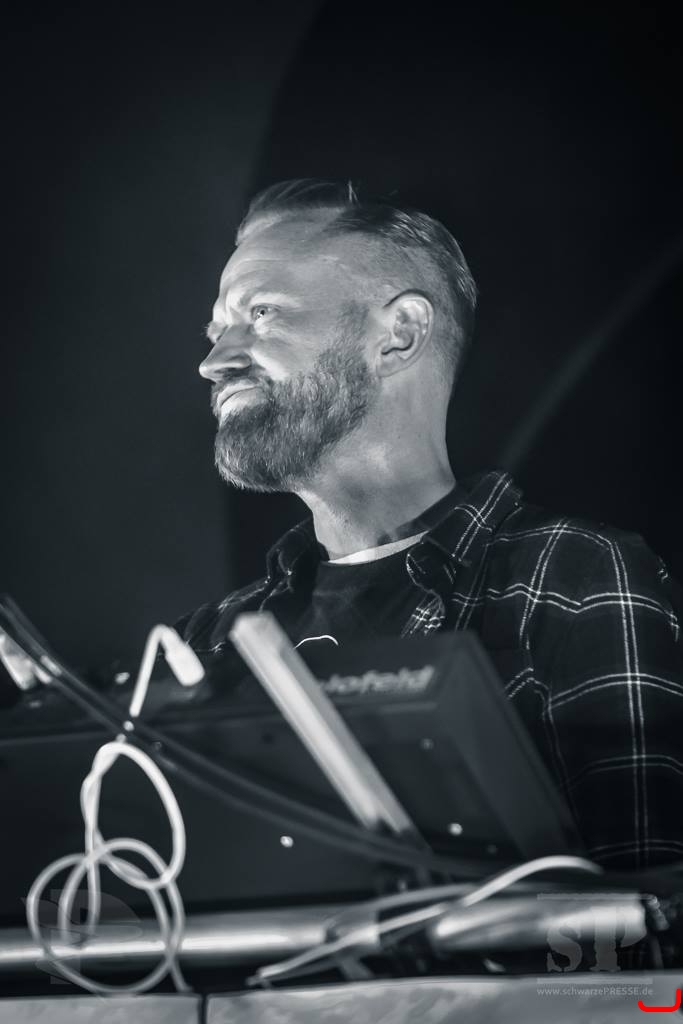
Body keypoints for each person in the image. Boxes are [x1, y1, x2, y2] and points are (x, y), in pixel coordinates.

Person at [178, 178, 683, 871]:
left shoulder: (572, 577)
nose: (213, 363)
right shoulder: (208, 640)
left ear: (400, 335)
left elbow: (644, 912)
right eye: (216, 334)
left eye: (261, 313)